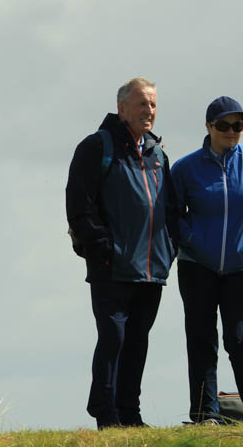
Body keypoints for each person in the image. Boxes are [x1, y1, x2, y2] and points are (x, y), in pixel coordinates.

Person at [171, 96, 243, 424]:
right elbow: (170, 213)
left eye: (238, 125)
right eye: (223, 125)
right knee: (201, 339)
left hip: (241, 266)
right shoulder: (185, 168)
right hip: (197, 265)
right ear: (208, 127)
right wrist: (190, 238)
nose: (231, 131)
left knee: (238, 340)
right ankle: (205, 414)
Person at [65, 77, 175, 429]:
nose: (149, 110)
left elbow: (170, 209)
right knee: (113, 339)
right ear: (122, 108)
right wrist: (101, 249)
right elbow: (78, 206)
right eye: (142, 103)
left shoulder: (158, 154)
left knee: (137, 343)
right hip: (112, 267)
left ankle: (130, 413)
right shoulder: (97, 146)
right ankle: (106, 412)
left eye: (153, 104)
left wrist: (168, 250)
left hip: (151, 269)